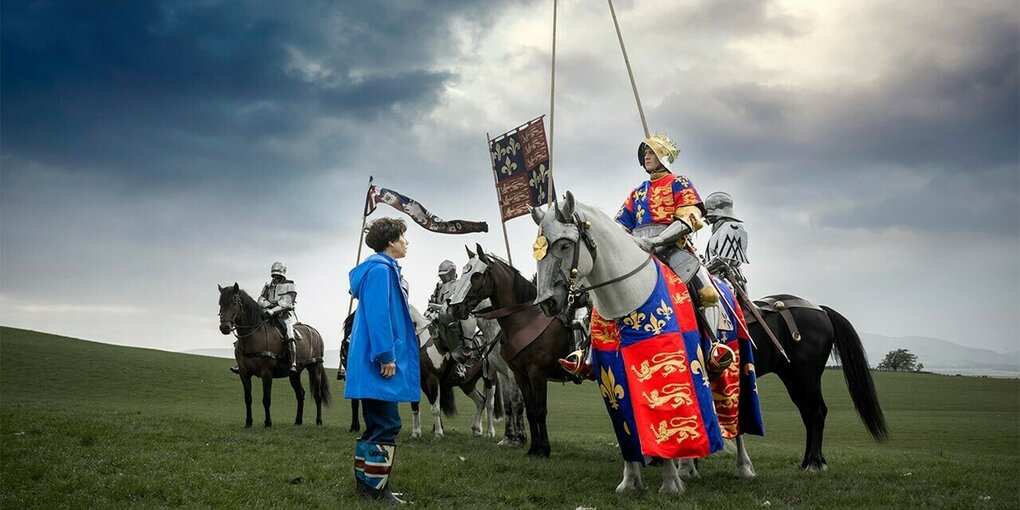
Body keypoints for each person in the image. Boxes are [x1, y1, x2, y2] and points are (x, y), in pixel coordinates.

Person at [559, 133, 732, 378]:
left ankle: (714, 346)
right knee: (599, 292)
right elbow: (620, 225)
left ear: (664, 156)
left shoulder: (679, 183)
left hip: (673, 247)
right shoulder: (637, 192)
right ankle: (586, 352)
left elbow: (690, 216)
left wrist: (659, 240)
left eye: (651, 152)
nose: (647, 157)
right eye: (645, 154)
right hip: (637, 248)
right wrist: (621, 244)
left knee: (705, 288)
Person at [345, 217, 420, 504]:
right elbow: (379, 316)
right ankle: (377, 490)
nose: (406, 242)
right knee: (388, 425)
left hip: (371, 361)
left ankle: (368, 488)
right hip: (378, 361)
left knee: (375, 425)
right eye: (403, 236)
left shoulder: (381, 270)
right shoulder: (380, 271)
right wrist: (386, 356)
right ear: (391, 242)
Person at [230, 261, 299, 374]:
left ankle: (293, 363)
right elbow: (261, 300)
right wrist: (268, 307)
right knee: (251, 330)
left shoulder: (290, 285)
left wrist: (272, 309)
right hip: (267, 313)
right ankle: (241, 362)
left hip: (285, 315)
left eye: (278, 274)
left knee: (290, 335)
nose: (275, 277)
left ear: (282, 274)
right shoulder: (268, 286)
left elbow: (286, 302)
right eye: (274, 274)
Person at [703, 191, 749, 293]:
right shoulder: (718, 230)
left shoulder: (732, 227)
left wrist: (702, 270)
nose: (707, 215)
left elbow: (723, 260)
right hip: (712, 277)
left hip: (726, 279)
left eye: (711, 210)